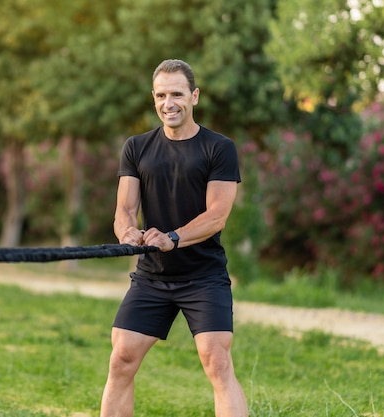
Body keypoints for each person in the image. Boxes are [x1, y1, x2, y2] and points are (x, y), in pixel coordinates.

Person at [99, 59, 248, 417]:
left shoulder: (219, 148)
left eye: (178, 94)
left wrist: (173, 237)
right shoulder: (136, 147)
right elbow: (124, 208)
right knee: (121, 359)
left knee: (217, 362)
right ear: (154, 99)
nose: (169, 102)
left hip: (204, 276)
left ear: (194, 96)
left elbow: (217, 215)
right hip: (152, 276)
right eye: (161, 95)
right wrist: (128, 232)